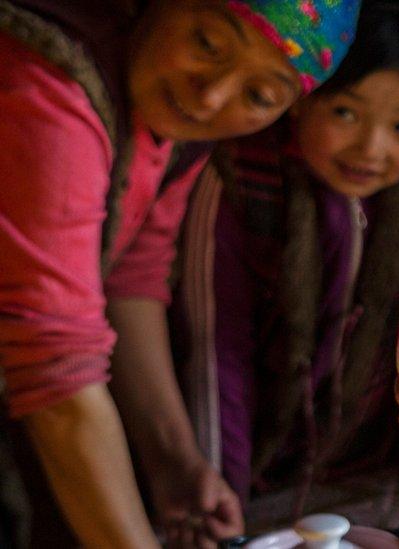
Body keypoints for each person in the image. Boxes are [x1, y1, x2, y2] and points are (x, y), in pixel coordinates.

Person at [0, 0, 360, 547]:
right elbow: (55, 366)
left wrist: (174, 461)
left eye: (260, 95)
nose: (211, 95)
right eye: (208, 43)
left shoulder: (171, 118)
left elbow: (130, 276)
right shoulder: (54, 87)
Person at [173, 0, 399, 509]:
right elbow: (217, 346)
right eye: (345, 112)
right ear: (301, 99)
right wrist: (224, 490)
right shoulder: (238, 171)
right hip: (244, 463)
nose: (371, 149)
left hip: (367, 464)